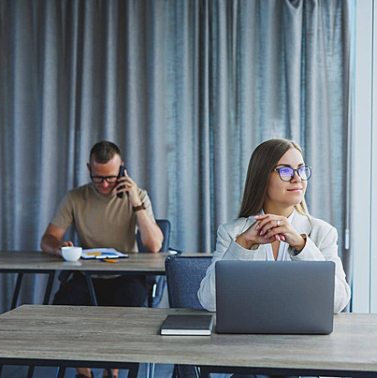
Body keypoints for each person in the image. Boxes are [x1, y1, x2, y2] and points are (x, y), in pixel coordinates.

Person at [41, 141, 163, 378]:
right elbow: (47, 238)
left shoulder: (137, 196)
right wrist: (58, 248)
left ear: (121, 169)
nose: (105, 184)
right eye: (98, 178)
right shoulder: (76, 197)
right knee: (62, 307)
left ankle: (111, 372)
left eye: (110, 177)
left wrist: (135, 202)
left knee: (128, 307)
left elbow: (154, 245)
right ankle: (83, 373)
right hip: (88, 275)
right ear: (89, 168)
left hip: (125, 276)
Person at [198, 139, 351, 313]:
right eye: (285, 171)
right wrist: (243, 245)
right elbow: (210, 302)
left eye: (301, 170)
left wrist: (302, 247)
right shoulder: (232, 233)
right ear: (262, 177)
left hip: (304, 337)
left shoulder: (323, 232)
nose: (297, 178)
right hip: (247, 336)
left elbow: (338, 303)